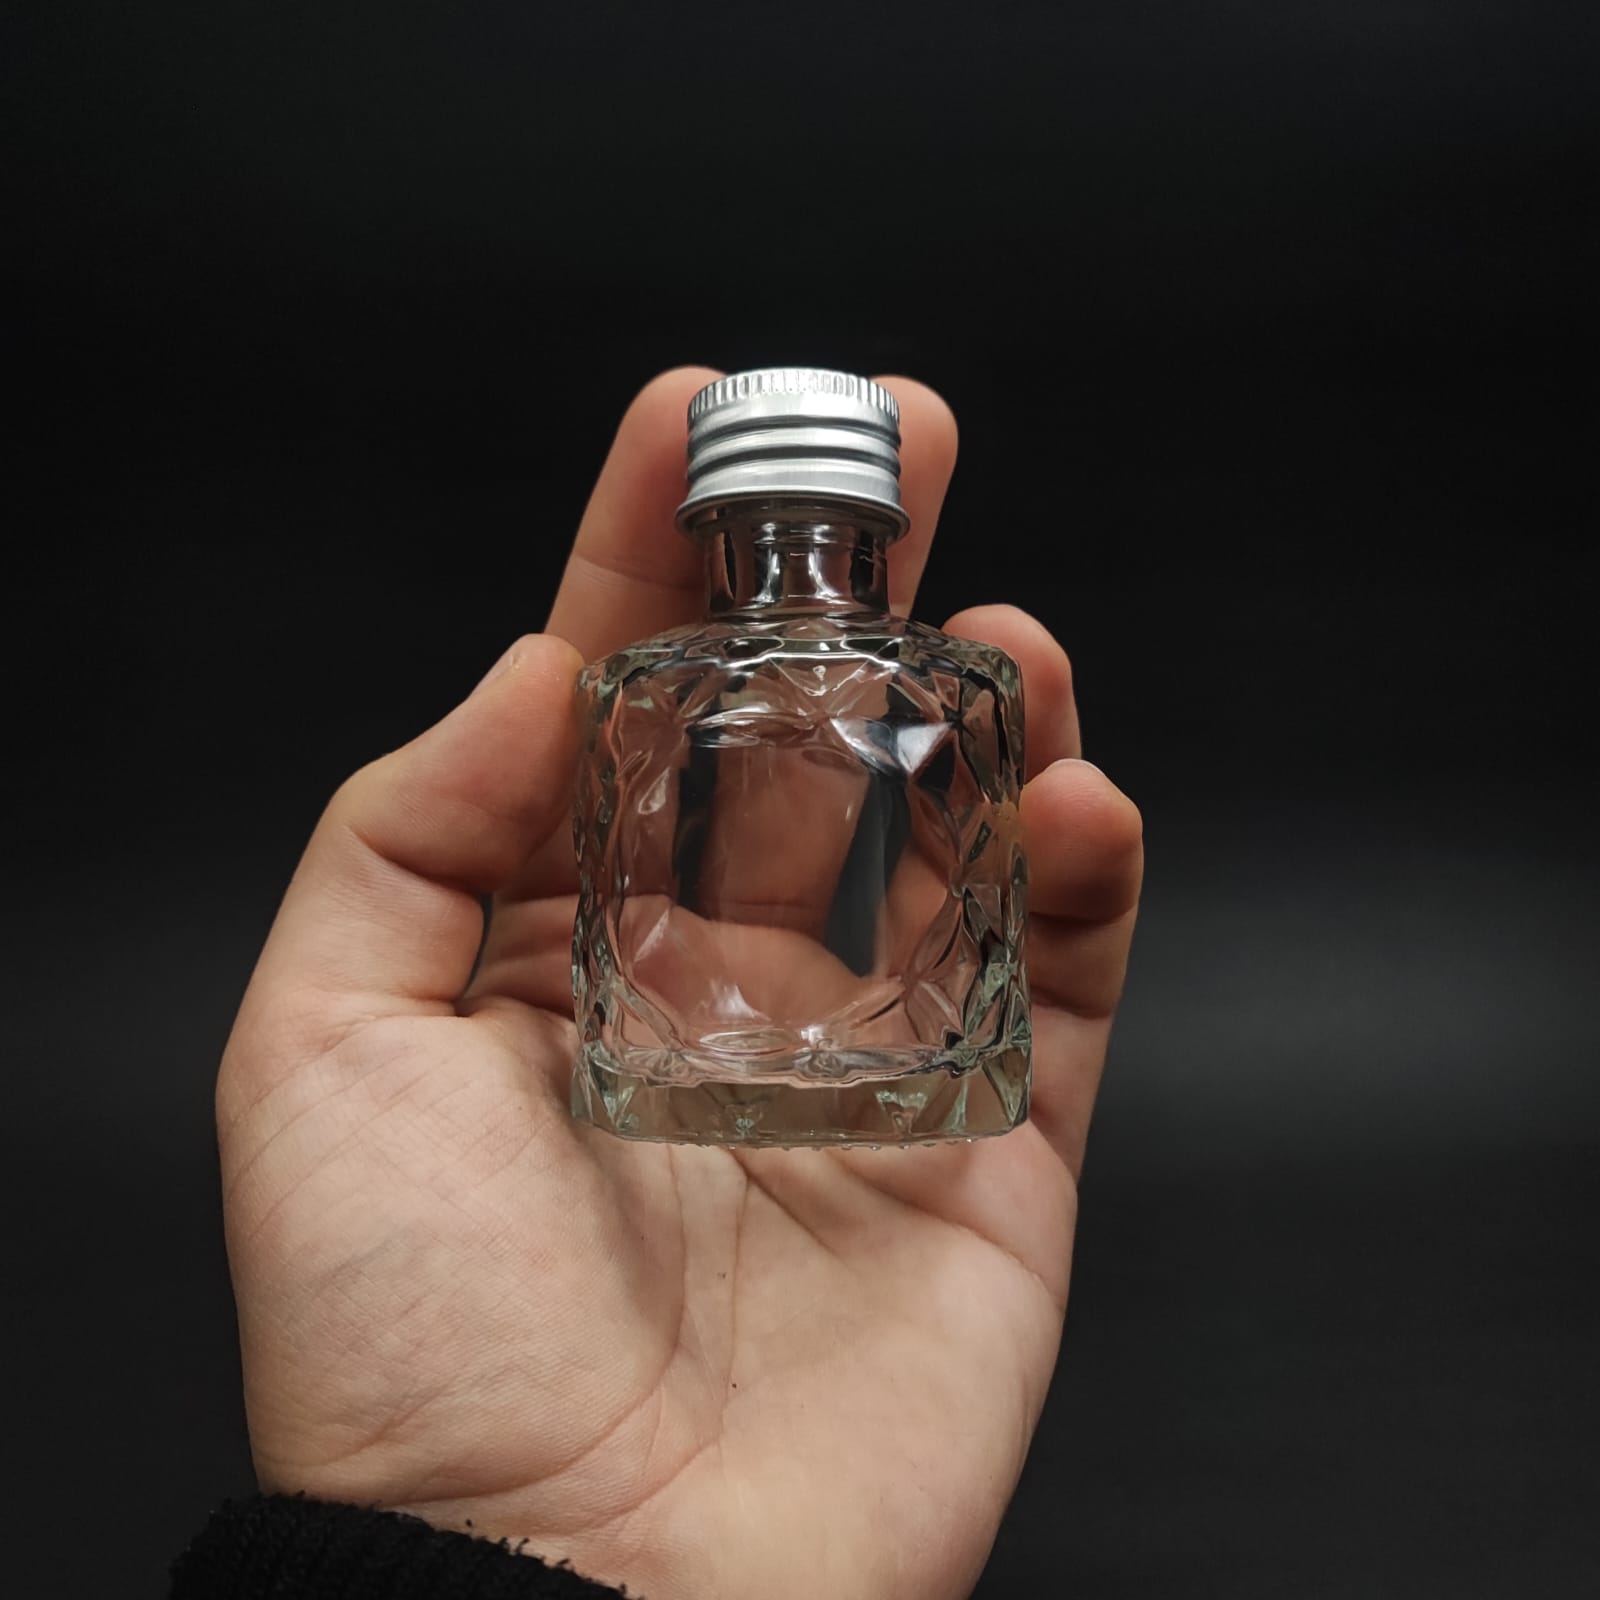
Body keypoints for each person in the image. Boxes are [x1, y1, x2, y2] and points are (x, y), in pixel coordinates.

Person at [171, 370, 1144, 1600]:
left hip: (786, 1096)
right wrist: (498, 1508)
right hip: (767, 1099)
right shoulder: (660, 687)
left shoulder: (914, 688)